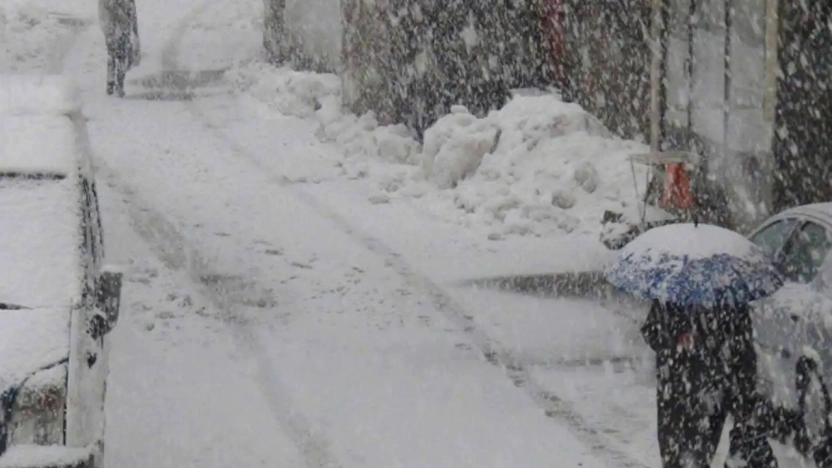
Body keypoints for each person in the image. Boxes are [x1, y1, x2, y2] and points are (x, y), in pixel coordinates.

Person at [642, 299, 778, 468]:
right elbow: (651, 331)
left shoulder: (730, 299)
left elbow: (744, 349)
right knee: (679, 460)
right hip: (678, 395)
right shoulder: (674, 297)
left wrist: (744, 391)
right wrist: (676, 338)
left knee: (700, 457)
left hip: (714, 395)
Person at [98, 0, 136, 97]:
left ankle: (115, 83)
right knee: (117, 55)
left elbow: (131, 9)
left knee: (116, 55)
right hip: (116, 26)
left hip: (117, 27)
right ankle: (116, 83)